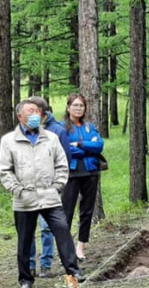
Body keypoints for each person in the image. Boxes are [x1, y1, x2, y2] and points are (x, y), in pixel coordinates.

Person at [0, 98, 81, 288]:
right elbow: (4, 170)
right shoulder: (9, 141)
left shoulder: (51, 137)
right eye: (30, 112)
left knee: (62, 230)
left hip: (49, 196)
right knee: (25, 239)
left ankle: (73, 270)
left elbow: (62, 164)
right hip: (24, 199)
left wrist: (58, 185)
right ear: (20, 116)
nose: (35, 115)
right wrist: (17, 189)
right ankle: (26, 278)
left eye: (37, 111)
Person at [28, 96, 73, 277]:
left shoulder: (57, 131)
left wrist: (57, 184)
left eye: (34, 111)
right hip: (27, 189)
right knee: (28, 229)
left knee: (47, 228)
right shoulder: (23, 131)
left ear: (43, 112)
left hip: (49, 189)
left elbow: (65, 159)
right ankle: (29, 265)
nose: (30, 115)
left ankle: (46, 264)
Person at [61, 93, 104, 262]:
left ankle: (81, 247)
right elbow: (65, 150)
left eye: (81, 106)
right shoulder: (62, 127)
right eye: (75, 105)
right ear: (68, 107)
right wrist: (87, 148)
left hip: (90, 171)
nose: (79, 108)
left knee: (87, 211)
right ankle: (66, 249)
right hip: (71, 173)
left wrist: (79, 144)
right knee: (67, 212)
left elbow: (99, 146)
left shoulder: (89, 126)